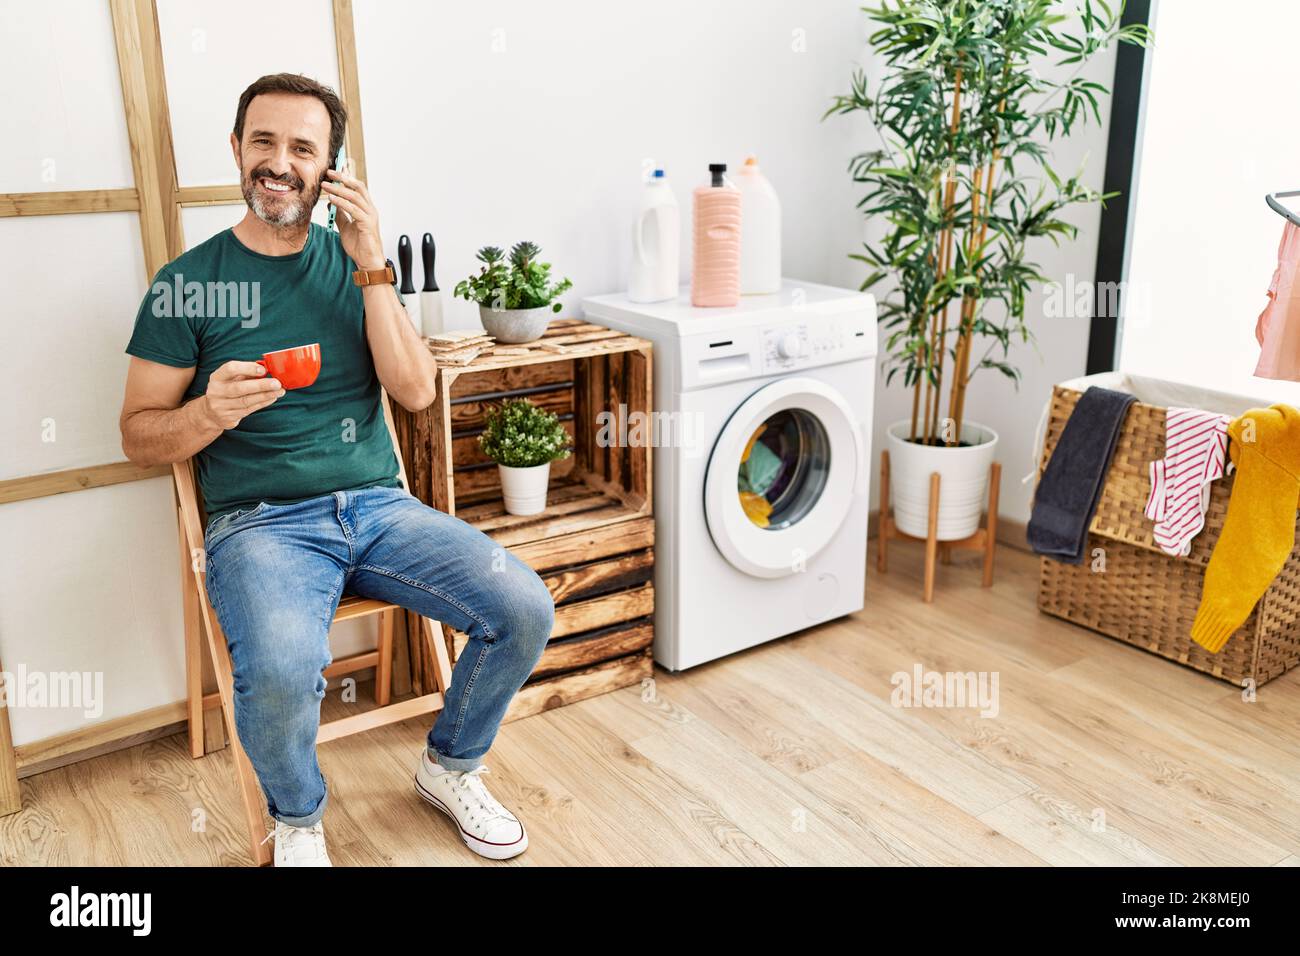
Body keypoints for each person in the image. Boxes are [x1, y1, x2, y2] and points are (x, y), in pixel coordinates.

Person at [118, 73, 554, 867]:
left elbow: (417, 392)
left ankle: (448, 766)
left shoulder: (355, 268)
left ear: (331, 169)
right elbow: (139, 436)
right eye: (264, 142)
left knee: (522, 605)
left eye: (302, 148)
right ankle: (296, 818)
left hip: (380, 509)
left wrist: (372, 263)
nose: (279, 162)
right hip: (260, 525)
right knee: (284, 669)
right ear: (237, 150)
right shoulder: (187, 285)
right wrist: (209, 413)